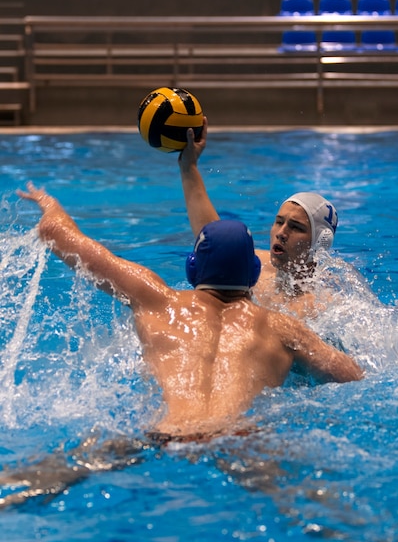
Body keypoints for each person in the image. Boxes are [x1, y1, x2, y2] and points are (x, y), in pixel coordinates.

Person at [1, 182, 362, 508]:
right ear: (253, 275)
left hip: (163, 432)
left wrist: (48, 203)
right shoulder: (285, 328)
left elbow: (60, 236)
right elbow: (353, 375)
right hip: (239, 438)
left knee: (54, 472)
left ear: (192, 268)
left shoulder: (157, 299)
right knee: (312, 507)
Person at [179, 118, 339, 318]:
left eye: (296, 227)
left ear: (320, 243)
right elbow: (213, 238)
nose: (281, 233)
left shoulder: (321, 306)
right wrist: (188, 167)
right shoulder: (258, 263)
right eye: (279, 222)